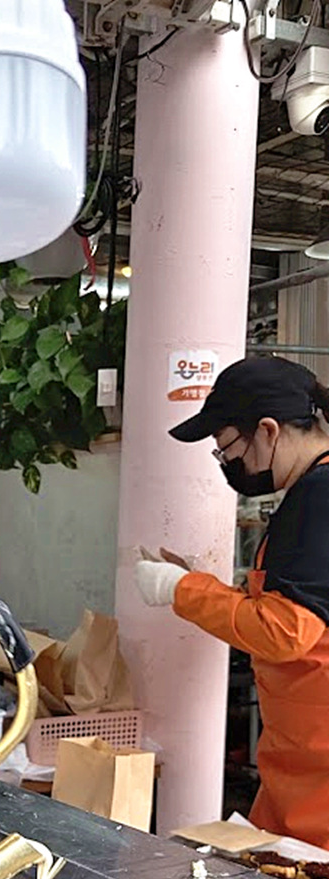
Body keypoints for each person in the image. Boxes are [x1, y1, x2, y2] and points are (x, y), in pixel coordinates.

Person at [135, 356, 329, 850]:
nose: (229, 467)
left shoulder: (317, 498)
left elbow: (287, 631)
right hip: (302, 766)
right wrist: (202, 584)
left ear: (267, 431)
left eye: (227, 450)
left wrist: (178, 590)